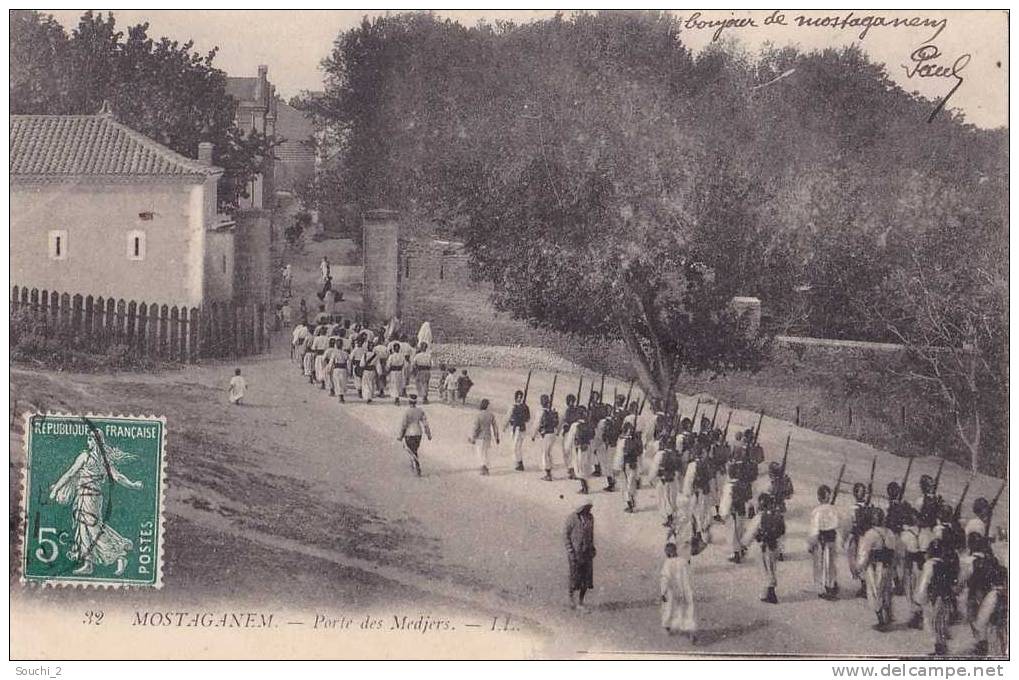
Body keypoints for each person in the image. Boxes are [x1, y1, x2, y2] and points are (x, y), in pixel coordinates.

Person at [48, 430, 143, 576]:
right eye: (89, 439)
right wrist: (133, 485)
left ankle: (119, 554)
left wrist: (56, 490)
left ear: (96, 441)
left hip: (89, 498)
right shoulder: (103, 459)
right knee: (84, 529)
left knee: (92, 529)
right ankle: (88, 563)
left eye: (91, 439)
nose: (89, 442)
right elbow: (118, 477)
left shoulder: (86, 456)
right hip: (88, 497)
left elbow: (70, 473)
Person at [857, 506, 896, 630]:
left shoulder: (870, 534)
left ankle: (881, 620)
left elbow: (864, 553)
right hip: (887, 566)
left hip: (874, 567)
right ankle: (888, 616)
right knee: (886, 591)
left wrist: (859, 567)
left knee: (875, 592)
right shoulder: (889, 532)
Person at [915, 538, 956, 656]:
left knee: (931, 623)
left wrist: (919, 599)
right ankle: (942, 648)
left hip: (933, 598)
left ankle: (937, 649)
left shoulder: (929, 565)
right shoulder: (945, 563)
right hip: (945, 597)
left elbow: (924, 582)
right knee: (941, 623)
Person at [745, 492, 785, 604]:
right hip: (774, 546)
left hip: (762, 546)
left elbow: (751, 533)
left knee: (764, 569)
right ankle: (769, 591)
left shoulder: (759, 517)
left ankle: (769, 593)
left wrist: (745, 545)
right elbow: (782, 533)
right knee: (772, 567)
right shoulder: (777, 516)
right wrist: (781, 549)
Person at [660, 537, 696, 642]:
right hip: (686, 589)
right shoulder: (683, 561)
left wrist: (663, 592)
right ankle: (690, 631)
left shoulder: (668, 563)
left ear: (669, 554)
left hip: (673, 590)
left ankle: (667, 626)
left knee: (670, 608)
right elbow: (690, 574)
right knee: (688, 610)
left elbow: (665, 579)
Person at [808, 484, 841, 600]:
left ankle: (825, 587)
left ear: (818, 497)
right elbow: (838, 524)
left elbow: (814, 529)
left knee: (821, 564)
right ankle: (831, 585)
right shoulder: (834, 509)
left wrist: (811, 544)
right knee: (831, 563)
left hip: (821, 539)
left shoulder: (816, 511)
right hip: (832, 537)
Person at [564, 502, 596, 612]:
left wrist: (592, 548)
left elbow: (591, 535)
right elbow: (566, 536)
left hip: (587, 553)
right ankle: (571, 600)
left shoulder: (590, 518)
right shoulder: (572, 519)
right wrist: (570, 551)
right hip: (575, 553)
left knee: (586, 579)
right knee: (574, 577)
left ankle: (581, 602)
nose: (588, 510)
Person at [844, 482, 871, 598]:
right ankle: (866, 585)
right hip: (867, 536)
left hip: (857, 536)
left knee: (855, 560)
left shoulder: (852, 509)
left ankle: (864, 585)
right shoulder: (869, 507)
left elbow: (849, 524)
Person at [397, 393, 432, 476]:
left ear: (409, 402)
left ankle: (416, 466)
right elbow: (425, 424)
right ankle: (414, 465)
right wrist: (428, 434)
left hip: (409, 433)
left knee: (411, 451)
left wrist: (400, 436)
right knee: (414, 450)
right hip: (418, 433)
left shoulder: (407, 412)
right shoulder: (420, 411)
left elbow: (404, 425)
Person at [653, 434, 682, 527]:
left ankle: (670, 518)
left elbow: (660, 468)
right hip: (674, 478)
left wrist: (659, 476)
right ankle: (672, 516)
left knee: (666, 499)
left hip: (665, 479)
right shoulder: (676, 454)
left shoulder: (664, 454)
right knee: (672, 498)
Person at [767, 461, 794, 559]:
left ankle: (777, 551)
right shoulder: (782, 481)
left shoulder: (779, 482)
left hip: (773, 508)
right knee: (780, 530)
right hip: (779, 508)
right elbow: (789, 494)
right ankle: (780, 552)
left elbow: (789, 494)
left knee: (775, 530)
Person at [468, 399, 500, 475]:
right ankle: (485, 467)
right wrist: (497, 437)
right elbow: (495, 427)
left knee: (479, 452)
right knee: (486, 452)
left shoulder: (478, 415)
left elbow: (475, 428)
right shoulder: (491, 415)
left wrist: (473, 438)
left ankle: (483, 467)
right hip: (488, 436)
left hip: (480, 437)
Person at [533, 394, 560, 481]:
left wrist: (533, 435)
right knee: (548, 452)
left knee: (545, 453)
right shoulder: (552, 411)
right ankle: (550, 471)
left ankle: (548, 473)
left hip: (545, 435)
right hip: (552, 434)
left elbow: (537, 424)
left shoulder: (541, 412)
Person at [504, 390, 531, 472]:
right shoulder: (514, 406)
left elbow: (527, 418)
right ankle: (519, 462)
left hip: (520, 428)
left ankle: (519, 463)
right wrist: (505, 426)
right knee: (516, 447)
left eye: (521, 397)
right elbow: (508, 417)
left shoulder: (524, 407)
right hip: (515, 428)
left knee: (515, 447)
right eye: (518, 397)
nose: (519, 399)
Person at [621, 421, 643, 513]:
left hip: (628, 465)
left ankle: (630, 505)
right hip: (634, 464)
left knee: (627, 486)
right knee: (631, 484)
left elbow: (625, 453)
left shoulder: (626, 441)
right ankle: (632, 503)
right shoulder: (637, 441)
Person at [572, 407, 596, 494]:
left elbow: (573, 438)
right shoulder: (589, 425)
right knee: (585, 466)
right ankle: (585, 486)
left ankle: (584, 488)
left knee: (580, 466)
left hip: (581, 448)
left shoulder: (577, 426)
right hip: (588, 446)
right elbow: (593, 436)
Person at [560, 394, 582, 480]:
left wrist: (558, 432)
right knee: (572, 453)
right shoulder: (577, 410)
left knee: (567, 452)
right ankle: (573, 470)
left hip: (569, 433)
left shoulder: (568, 410)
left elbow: (563, 421)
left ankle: (571, 469)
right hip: (574, 433)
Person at [331, 337, 351, 402]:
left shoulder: (335, 353)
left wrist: (329, 369)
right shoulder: (345, 353)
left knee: (340, 382)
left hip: (339, 369)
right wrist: (349, 370)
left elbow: (331, 362)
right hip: (341, 369)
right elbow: (348, 363)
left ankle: (341, 396)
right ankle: (340, 396)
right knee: (340, 382)